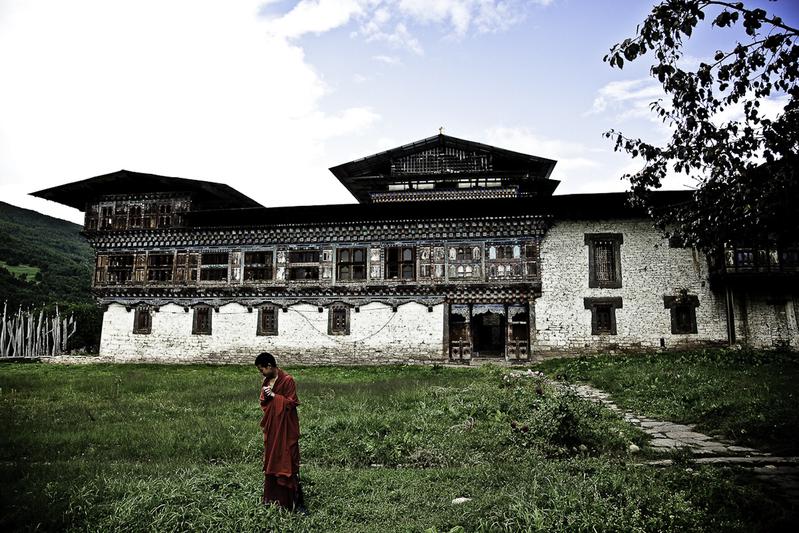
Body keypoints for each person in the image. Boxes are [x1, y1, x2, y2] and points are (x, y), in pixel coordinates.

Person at [255, 352, 305, 512]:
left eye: (261, 369)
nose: (261, 373)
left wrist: (276, 396)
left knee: (288, 460)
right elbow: (263, 402)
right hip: (273, 428)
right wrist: (267, 395)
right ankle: (274, 499)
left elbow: (292, 402)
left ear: (269, 366)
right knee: (273, 459)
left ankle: (296, 502)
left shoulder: (287, 380)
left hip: (286, 428)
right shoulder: (267, 381)